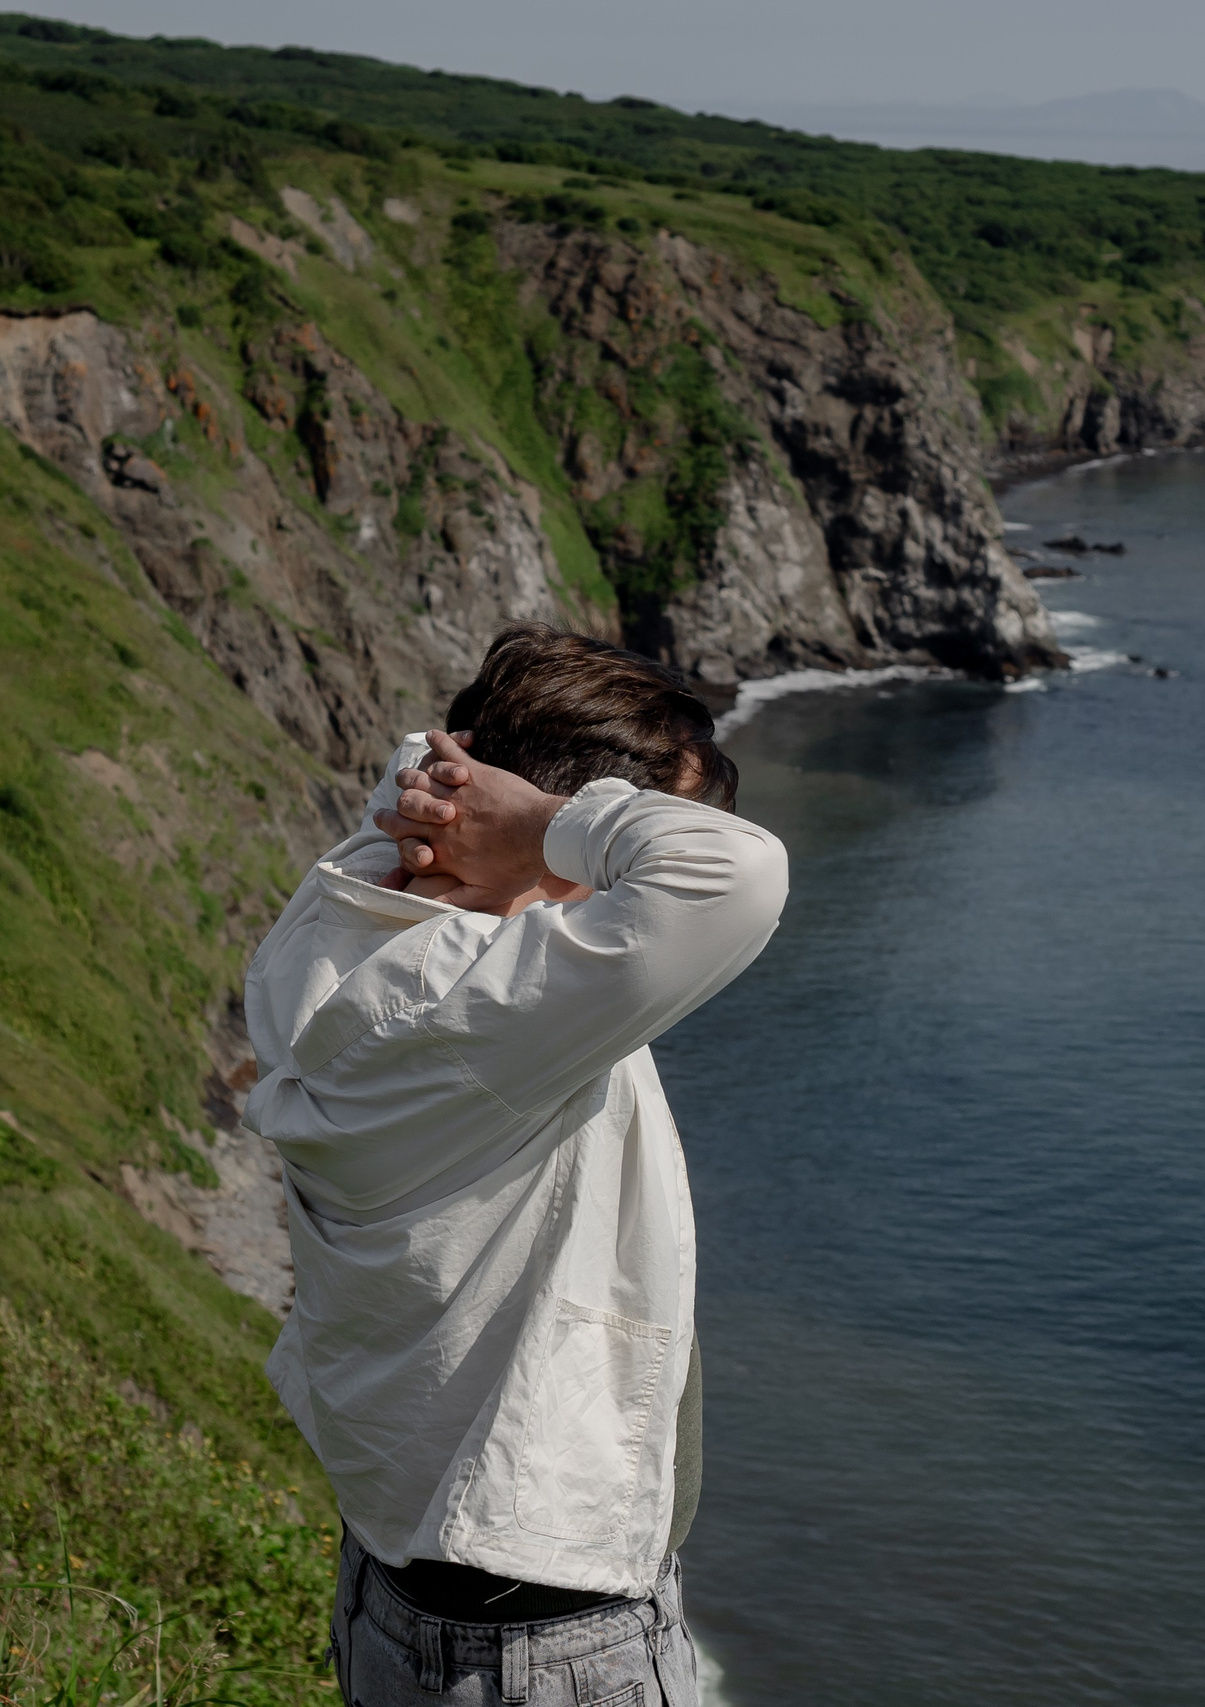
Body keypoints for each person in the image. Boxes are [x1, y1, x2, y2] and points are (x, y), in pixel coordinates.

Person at [242, 623, 789, 1707]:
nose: (621, 869)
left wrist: (473, 805)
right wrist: (548, 830)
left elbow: (420, 769)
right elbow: (736, 879)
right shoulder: (475, 1019)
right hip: (538, 1650)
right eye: (617, 843)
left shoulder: (356, 928)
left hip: (409, 1596)